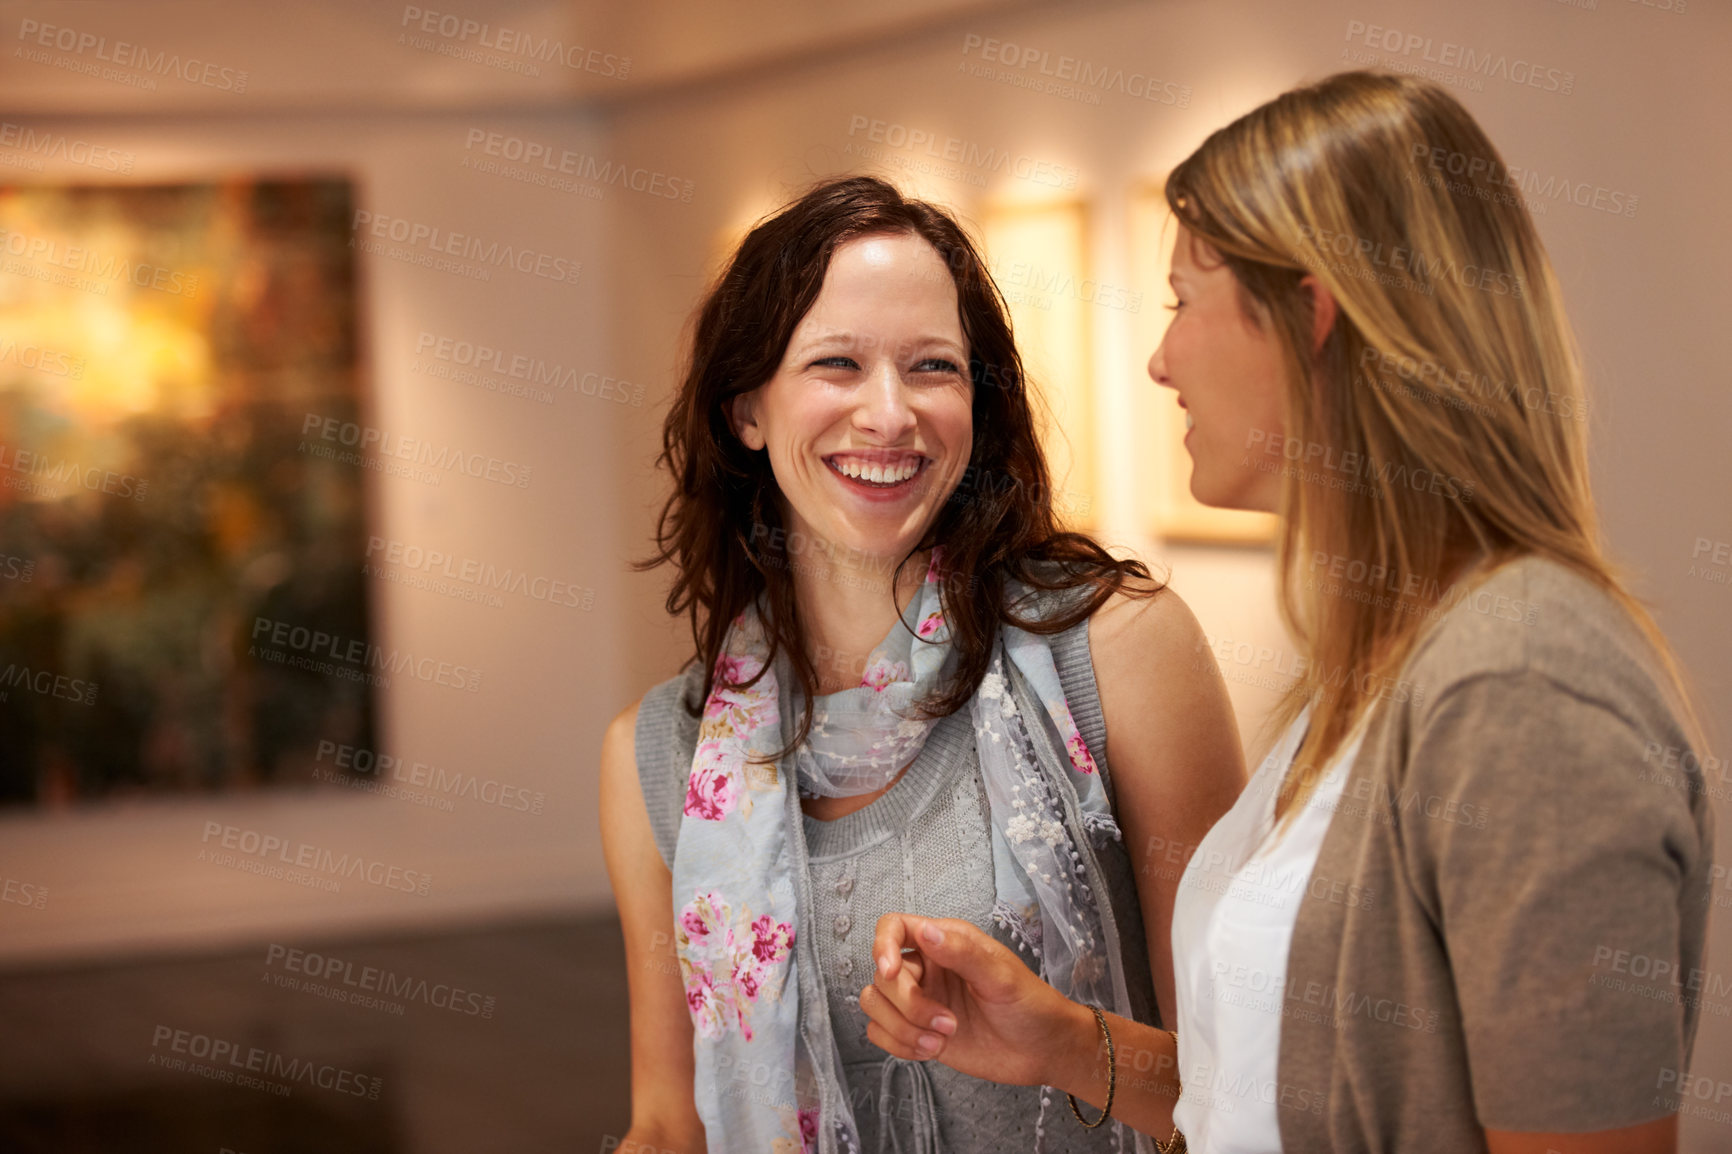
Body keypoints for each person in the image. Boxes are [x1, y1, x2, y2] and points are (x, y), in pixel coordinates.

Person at [858, 70, 1715, 1154]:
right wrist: (1059, 1040)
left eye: (1181, 302)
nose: (1160, 359)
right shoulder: (1378, 668)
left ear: (1308, 316)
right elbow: (1265, 1093)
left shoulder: (1520, 684)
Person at [598, 175, 1245, 1154]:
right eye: (838, 363)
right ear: (746, 409)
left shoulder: (1117, 649)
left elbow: (1242, 1083)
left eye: (932, 366)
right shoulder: (656, 751)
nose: (889, 414)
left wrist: (1064, 1042)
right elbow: (667, 1122)